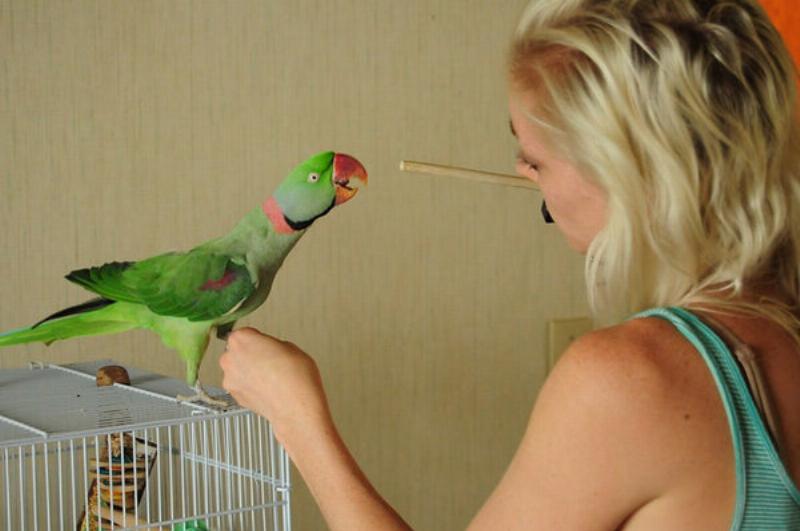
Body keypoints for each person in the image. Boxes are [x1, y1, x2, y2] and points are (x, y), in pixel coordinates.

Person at [219, 0, 800, 528]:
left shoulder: (630, 379)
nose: (522, 171)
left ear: (628, 172)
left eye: (535, 156)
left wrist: (297, 418)